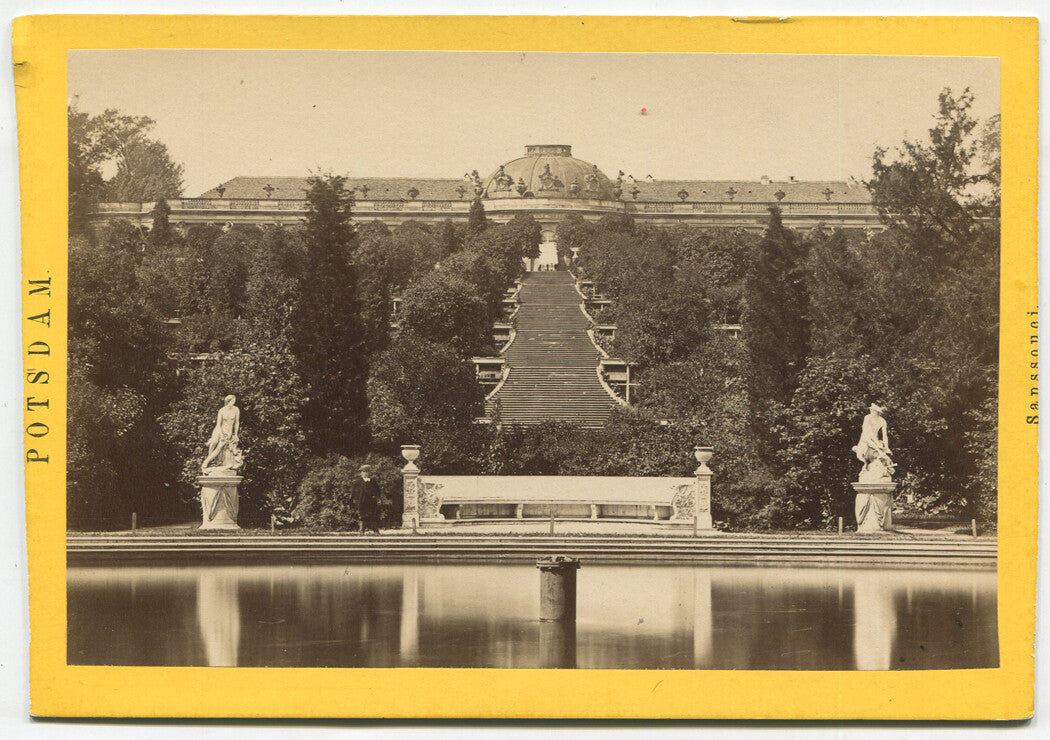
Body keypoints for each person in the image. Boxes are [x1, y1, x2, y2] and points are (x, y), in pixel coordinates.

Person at [201, 394, 241, 472]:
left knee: (218, 448)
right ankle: (211, 459)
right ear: (227, 401)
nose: (233, 403)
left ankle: (206, 462)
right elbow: (218, 424)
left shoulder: (236, 409)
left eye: (234, 401)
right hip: (219, 430)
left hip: (227, 432)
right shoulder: (222, 410)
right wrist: (221, 434)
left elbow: (236, 423)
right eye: (232, 401)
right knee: (214, 442)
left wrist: (235, 434)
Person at [353, 464, 382, 534]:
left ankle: (375, 530)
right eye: (364, 472)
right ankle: (361, 530)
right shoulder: (358, 481)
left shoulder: (373, 481)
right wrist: (355, 500)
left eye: (367, 472)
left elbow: (378, 491)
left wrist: (378, 498)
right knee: (362, 516)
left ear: (370, 473)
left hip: (371, 502)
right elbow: (353, 492)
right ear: (361, 473)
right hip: (361, 501)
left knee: (372, 515)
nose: (366, 473)